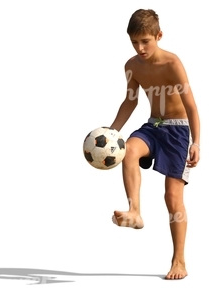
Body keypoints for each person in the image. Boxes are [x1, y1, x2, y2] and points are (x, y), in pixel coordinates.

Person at [110, 9, 200, 280]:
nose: (140, 48)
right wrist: (113, 131)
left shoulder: (172, 63)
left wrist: (196, 142)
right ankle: (134, 211)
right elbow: (130, 101)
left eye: (145, 41)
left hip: (178, 132)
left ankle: (179, 261)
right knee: (128, 151)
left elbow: (191, 106)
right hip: (153, 126)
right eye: (134, 42)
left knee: (172, 199)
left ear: (158, 36)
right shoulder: (132, 66)